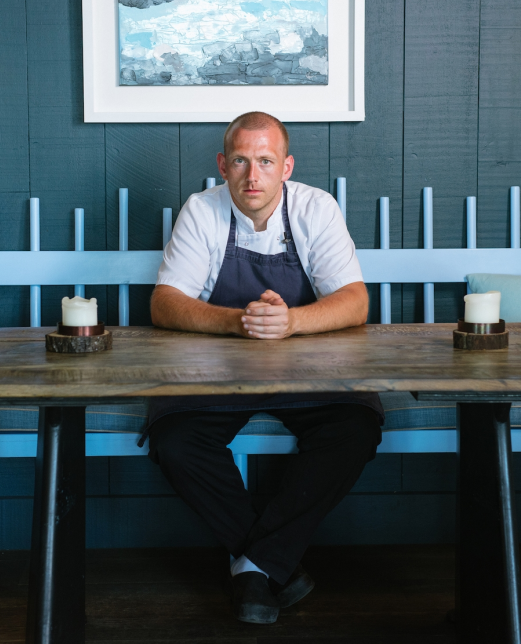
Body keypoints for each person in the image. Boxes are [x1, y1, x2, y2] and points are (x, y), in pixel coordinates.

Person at [148, 111, 383, 624]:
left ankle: (253, 568)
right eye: (240, 161)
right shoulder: (201, 210)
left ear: (286, 167)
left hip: (308, 372)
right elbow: (165, 303)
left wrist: (291, 321)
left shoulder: (315, 209)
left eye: (265, 161)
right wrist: (239, 322)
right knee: (175, 438)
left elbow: (355, 301)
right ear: (222, 165)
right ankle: (274, 566)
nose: (252, 177)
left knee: (356, 426)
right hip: (215, 372)